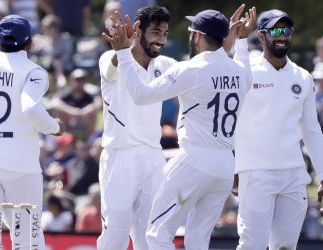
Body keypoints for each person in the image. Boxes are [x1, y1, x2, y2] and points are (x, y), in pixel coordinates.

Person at [104, 7, 254, 249]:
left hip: (194, 160)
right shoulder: (239, 72)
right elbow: (233, 68)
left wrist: (123, 52)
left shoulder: (191, 69)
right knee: (198, 240)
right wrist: (241, 40)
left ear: (198, 35)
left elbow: (142, 95)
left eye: (192, 30)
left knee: (156, 234)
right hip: (226, 166)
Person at [232, 9, 323, 250]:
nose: (282, 36)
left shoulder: (302, 77)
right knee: (252, 245)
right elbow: (230, 122)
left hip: (293, 176)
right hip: (255, 173)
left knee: (285, 246)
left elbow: (312, 131)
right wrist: (232, 165)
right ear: (261, 36)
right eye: (276, 31)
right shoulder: (246, 70)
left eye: (286, 30)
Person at [0, 14, 64, 249]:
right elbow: (31, 107)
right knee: (27, 240)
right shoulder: (35, 72)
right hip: (21, 168)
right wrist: (53, 127)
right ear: (30, 43)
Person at [97, 6, 176, 250]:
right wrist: (120, 50)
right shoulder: (110, 59)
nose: (160, 39)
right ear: (138, 30)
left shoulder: (166, 64)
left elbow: (199, 73)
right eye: (155, 32)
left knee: (150, 238)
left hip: (153, 157)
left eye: (164, 33)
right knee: (115, 239)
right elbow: (111, 67)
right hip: (119, 156)